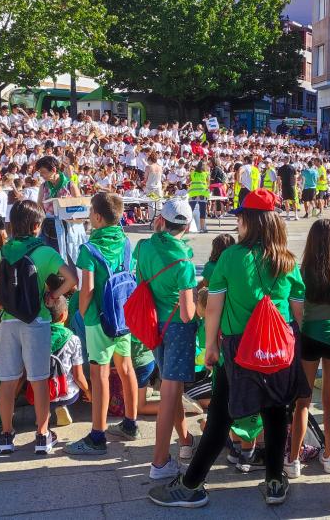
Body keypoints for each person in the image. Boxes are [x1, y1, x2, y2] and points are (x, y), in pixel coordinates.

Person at [148, 189, 307, 508]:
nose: (237, 221)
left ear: (250, 220)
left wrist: (210, 348)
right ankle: (275, 481)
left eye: (240, 215)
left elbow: (214, 308)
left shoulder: (232, 257)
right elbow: (298, 312)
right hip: (278, 352)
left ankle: (192, 485)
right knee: (275, 414)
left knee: (220, 416)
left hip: (238, 350)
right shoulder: (287, 260)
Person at [0, 199, 76, 456]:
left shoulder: (3, 252)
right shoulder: (45, 252)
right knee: (39, 380)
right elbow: (72, 278)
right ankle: (42, 434)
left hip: (7, 321)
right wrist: (53, 295)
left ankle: (6, 435)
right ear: (37, 226)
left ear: (12, 225)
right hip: (36, 321)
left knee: (7, 380)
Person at [64, 192, 139, 455]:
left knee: (100, 373)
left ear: (96, 216)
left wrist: (83, 314)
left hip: (100, 318)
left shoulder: (89, 249)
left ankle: (97, 435)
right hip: (123, 315)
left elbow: (87, 289)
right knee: (126, 367)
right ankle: (130, 423)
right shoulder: (126, 242)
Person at [138, 198, 198, 480]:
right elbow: (187, 313)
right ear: (186, 225)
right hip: (176, 329)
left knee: (168, 388)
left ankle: (185, 440)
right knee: (171, 393)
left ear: (161, 220)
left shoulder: (145, 246)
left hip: (153, 326)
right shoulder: (184, 261)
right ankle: (159, 462)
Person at [289, 219, 330, 477]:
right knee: (329, 399)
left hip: (308, 336)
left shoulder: (303, 272)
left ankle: (293, 459)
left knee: (302, 403)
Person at [46, 296, 88, 428]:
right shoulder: (73, 339)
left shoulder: (35, 336)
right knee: (71, 382)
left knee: (38, 383)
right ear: (64, 314)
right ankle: (61, 406)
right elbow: (78, 376)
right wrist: (89, 392)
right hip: (67, 393)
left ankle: (43, 412)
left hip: (40, 393)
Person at [188, 160, 210, 233]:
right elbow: (208, 184)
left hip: (193, 194)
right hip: (202, 194)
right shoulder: (206, 174)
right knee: (202, 211)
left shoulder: (192, 173)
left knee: (190, 211)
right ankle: (202, 228)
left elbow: (187, 182)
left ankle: (186, 227)